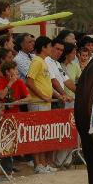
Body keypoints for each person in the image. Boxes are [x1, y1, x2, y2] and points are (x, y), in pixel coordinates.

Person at [27, 36, 56, 173]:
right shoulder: (37, 61)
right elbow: (30, 81)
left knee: (44, 134)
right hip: (38, 102)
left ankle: (43, 164)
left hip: (45, 102)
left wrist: (57, 95)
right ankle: (38, 164)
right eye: (50, 46)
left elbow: (46, 83)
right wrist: (43, 96)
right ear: (43, 47)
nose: (51, 49)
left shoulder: (43, 62)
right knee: (37, 134)